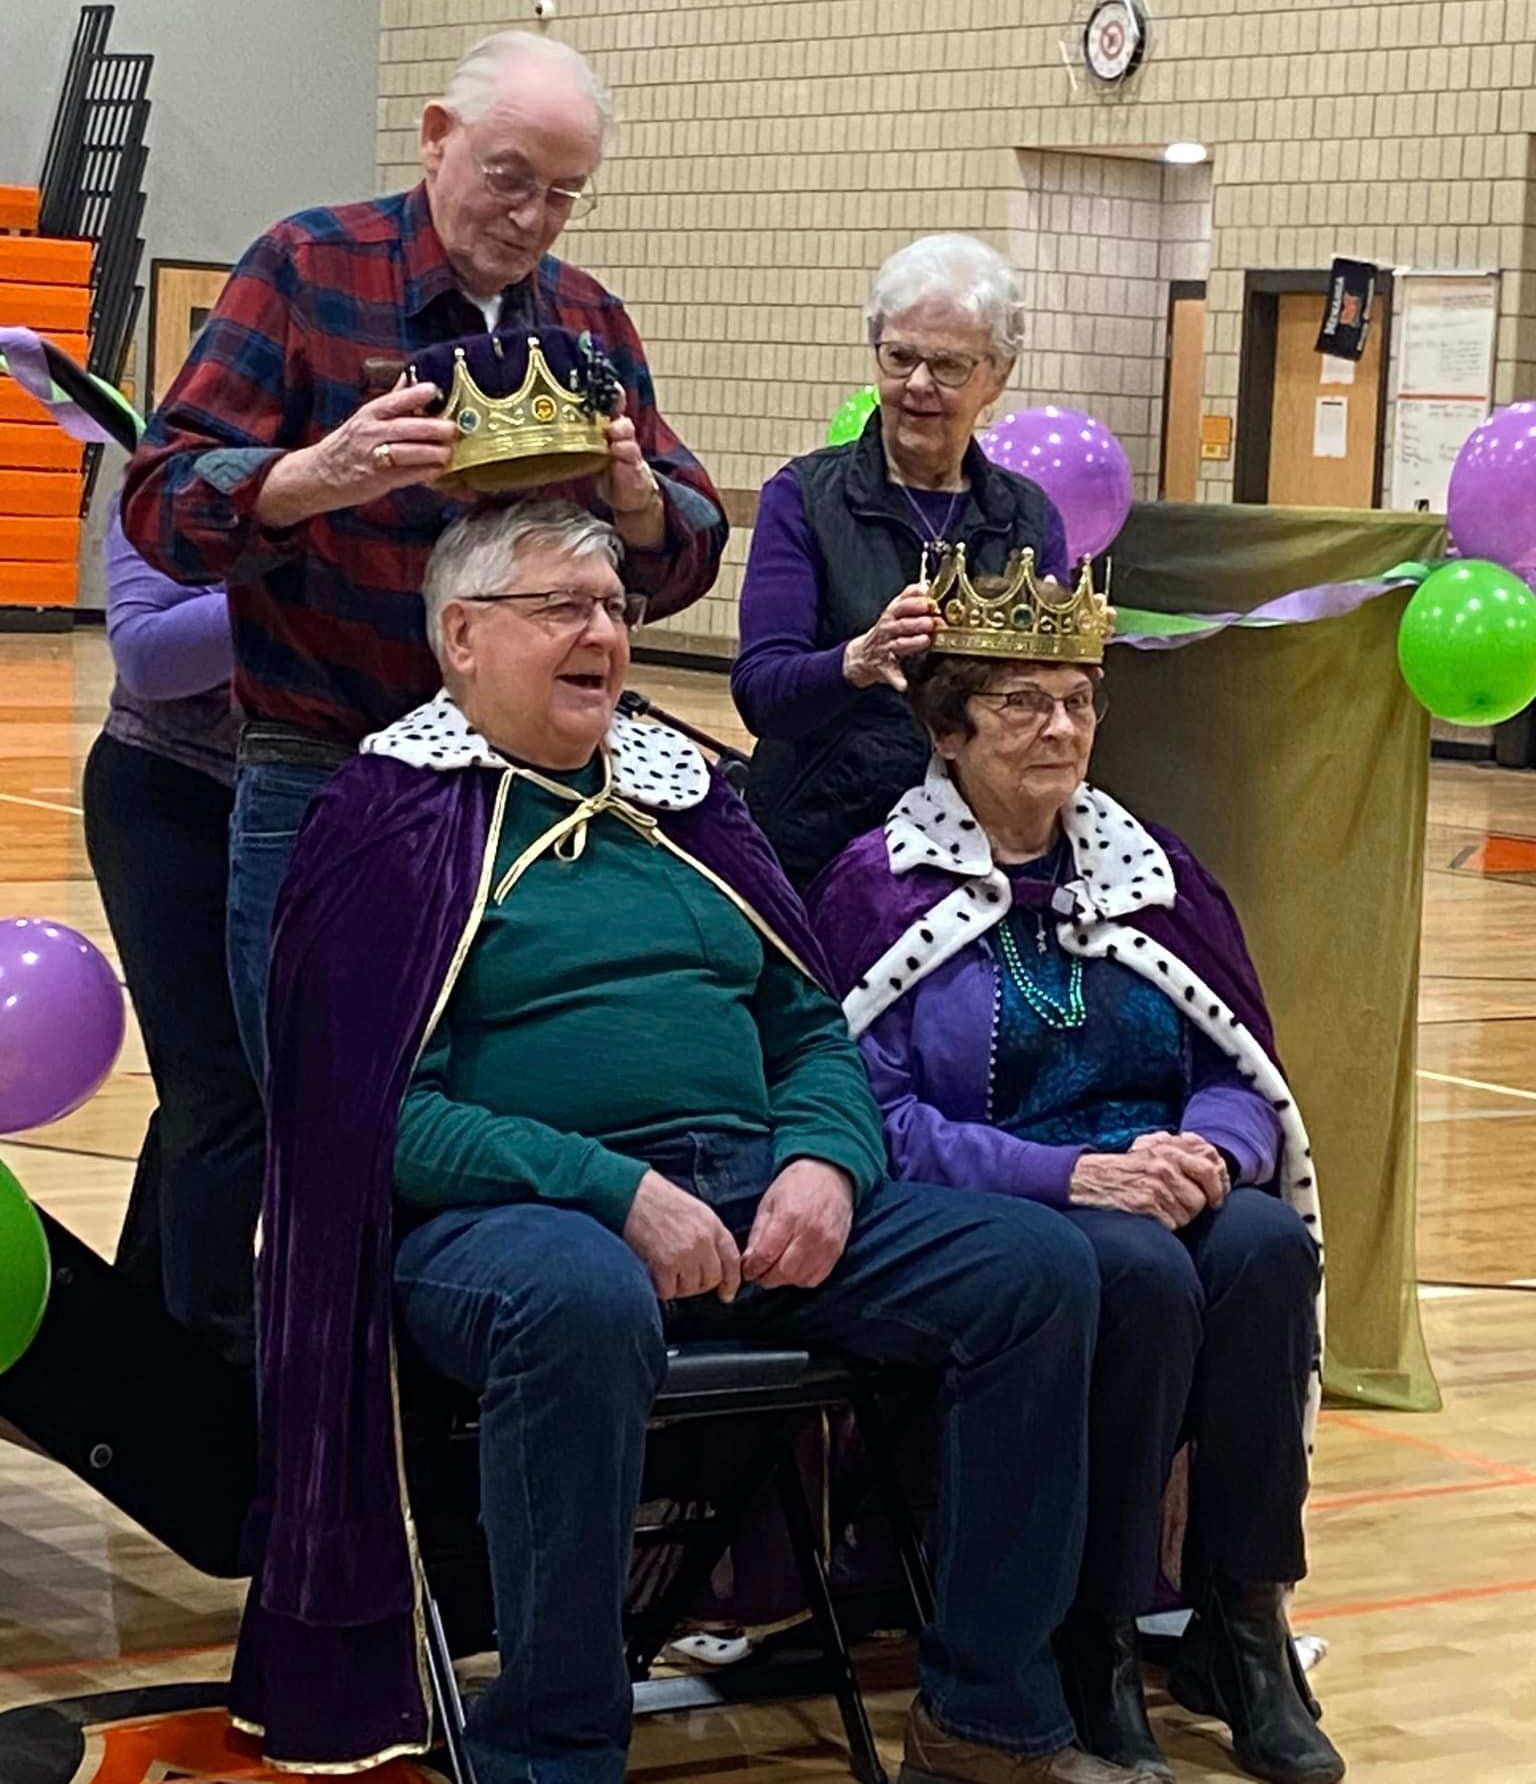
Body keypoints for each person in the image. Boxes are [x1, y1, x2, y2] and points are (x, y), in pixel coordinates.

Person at [227, 498, 1162, 1784]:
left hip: (754, 1177)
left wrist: (827, 1160)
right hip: (510, 1222)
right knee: (580, 1301)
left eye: (614, 608)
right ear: (460, 637)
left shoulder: (692, 800)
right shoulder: (384, 819)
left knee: (1040, 1273)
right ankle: (552, 1748)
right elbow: (367, 1115)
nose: (602, 631)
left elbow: (812, 1027)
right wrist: (615, 1190)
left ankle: (988, 1712)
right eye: (562, 607)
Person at [810, 553, 1343, 1784]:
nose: (1062, 725)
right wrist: (1068, 1178)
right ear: (949, 728)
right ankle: (1092, 1633)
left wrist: (1214, 1145)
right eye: (1023, 701)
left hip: (1161, 1176)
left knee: (1266, 1249)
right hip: (1013, 1204)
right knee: (1139, 1270)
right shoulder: (877, 885)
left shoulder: (1151, 870)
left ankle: (1241, 1622)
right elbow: (868, 1113)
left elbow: (1238, 1057)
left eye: (1081, 698)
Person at [120, 29, 726, 1083]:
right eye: (510, 179)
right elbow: (160, 499)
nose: (532, 218)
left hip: (525, 793)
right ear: (437, 138)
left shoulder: (590, 320)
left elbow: (687, 551)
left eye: (565, 194)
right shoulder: (308, 267)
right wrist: (317, 474)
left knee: (499, 1105)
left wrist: (635, 501)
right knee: (322, 1114)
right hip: (322, 770)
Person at [733, 234, 1069, 892]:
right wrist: (853, 662)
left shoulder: (1029, 517)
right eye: (900, 357)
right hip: (822, 848)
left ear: (997, 375)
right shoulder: (803, 497)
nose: (917, 384)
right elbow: (761, 695)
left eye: (947, 366)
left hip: (985, 852)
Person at [80, 498, 260, 1370]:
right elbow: (149, 657)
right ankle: (210, 1361)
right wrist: (295, 573)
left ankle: (137, 1330)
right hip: (167, 795)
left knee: (230, 1090)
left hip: (299, 803)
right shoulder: (169, 480)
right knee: (220, 1092)